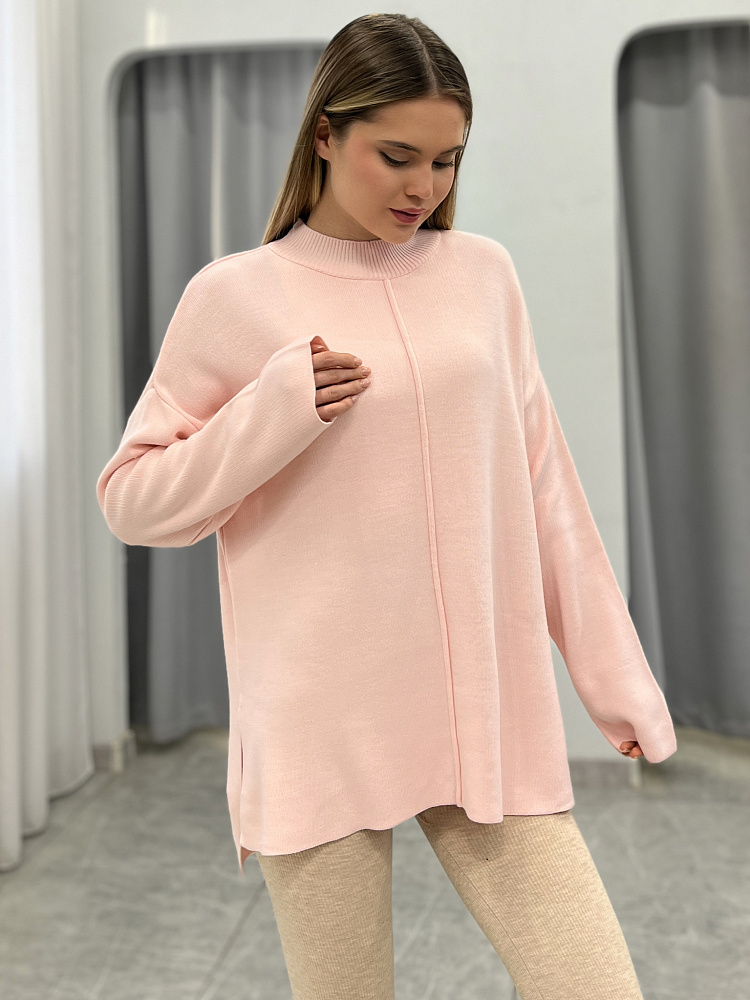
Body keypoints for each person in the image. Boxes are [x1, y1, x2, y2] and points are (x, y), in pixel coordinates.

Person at [97, 12, 675, 1000]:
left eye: (447, 161)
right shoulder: (235, 296)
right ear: (325, 134)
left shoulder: (484, 276)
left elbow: (546, 489)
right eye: (397, 157)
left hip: (481, 708)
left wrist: (615, 681)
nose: (424, 189)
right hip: (319, 719)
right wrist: (270, 414)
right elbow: (132, 500)